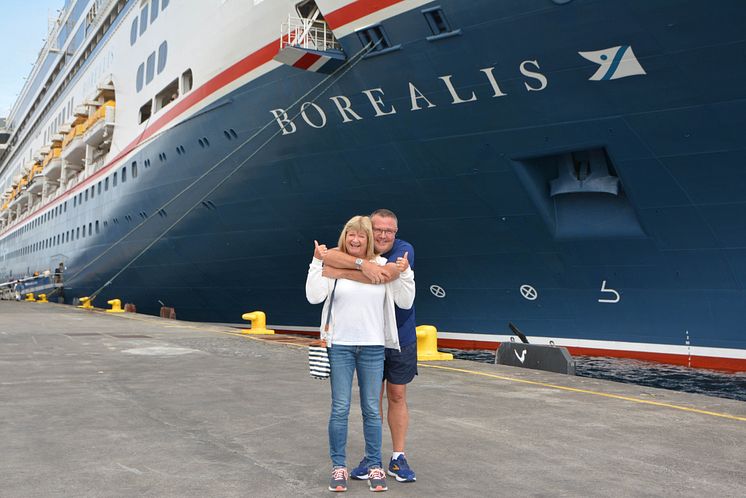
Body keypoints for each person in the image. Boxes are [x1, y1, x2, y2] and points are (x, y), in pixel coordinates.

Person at [306, 215, 415, 493]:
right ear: (345, 236)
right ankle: (339, 466)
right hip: (340, 345)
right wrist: (317, 262)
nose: (355, 240)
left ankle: (375, 465)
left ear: (368, 240)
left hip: (373, 347)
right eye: (350, 234)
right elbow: (314, 296)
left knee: (370, 410)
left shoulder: (383, 267)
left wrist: (405, 272)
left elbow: (405, 300)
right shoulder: (332, 262)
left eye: (361, 236)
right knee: (340, 408)